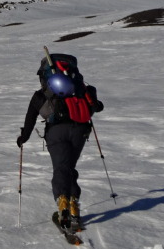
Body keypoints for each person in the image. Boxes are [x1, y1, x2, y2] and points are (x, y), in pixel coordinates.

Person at [16, 53, 104, 231]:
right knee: (68, 167)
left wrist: (23, 137)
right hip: (80, 131)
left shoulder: (42, 94)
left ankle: (63, 203)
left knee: (61, 167)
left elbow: (30, 118)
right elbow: (98, 107)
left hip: (56, 132)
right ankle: (73, 205)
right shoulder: (80, 89)